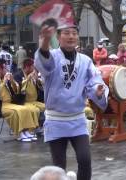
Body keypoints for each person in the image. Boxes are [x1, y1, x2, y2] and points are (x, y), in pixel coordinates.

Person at [35, 20, 109, 180]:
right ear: (59, 36)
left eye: (74, 33)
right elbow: (44, 64)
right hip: (56, 120)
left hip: (77, 119)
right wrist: (45, 42)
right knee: (58, 166)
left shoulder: (85, 61)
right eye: (66, 33)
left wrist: (97, 90)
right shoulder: (52, 56)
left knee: (85, 159)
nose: (71, 36)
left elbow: (94, 81)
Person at [0, 58, 39, 142]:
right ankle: (19, 133)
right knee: (18, 111)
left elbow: (15, 90)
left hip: (9, 104)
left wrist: (12, 81)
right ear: (0, 68)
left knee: (25, 109)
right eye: (5, 68)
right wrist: (4, 83)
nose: (7, 70)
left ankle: (27, 131)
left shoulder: (5, 78)